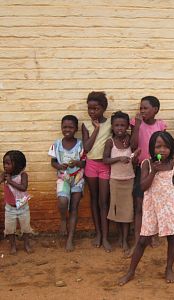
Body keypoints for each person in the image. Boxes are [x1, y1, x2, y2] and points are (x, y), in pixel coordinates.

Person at [119, 131, 174, 286]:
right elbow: (142, 186)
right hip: (152, 207)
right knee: (142, 241)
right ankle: (130, 272)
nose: (162, 150)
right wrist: (153, 172)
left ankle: (169, 269)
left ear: (171, 148)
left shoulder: (173, 164)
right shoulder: (147, 164)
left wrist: (172, 187)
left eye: (166, 147)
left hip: (169, 206)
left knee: (172, 238)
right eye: (158, 146)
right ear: (152, 148)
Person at [130, 96, 167, 252]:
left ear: (155, 110)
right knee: (139, 204)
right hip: (141, 168)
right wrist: (137, 126)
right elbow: (133, 146)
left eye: (146, 108)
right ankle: (138, 239)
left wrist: (160, 163)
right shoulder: (135, 123)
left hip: (156, 168)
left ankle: (152, 235)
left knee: (155, 204)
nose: (142, 111)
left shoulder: (161, 125)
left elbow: (164, 147)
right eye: (141, 108)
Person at [103, 111, 140, 253]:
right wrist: (119, 159)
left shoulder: (130, 140)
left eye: (123, 125)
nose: (120, 128)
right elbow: (105, 160)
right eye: (117, 125)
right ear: (112, 127)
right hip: (115, 181)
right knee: (118, 211)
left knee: (127, 211)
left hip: (129, 180)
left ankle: (125, 239)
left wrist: (135, 157)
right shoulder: (110, 142)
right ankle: (120, 236)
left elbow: (134, 159)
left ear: (127, 127)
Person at [48, 115, 85, 251]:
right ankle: (63, 219)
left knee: (74, 207)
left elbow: (85, 162)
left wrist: (77, 163)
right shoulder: (56, 144)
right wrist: (59, 166)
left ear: (76, 129)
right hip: (63, 178)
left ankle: (70, 238)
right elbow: (53, 162)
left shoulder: (80, 144)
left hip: (78, 178)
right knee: (63, 201)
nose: (67, 129)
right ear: (61, 128)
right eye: (65, 127)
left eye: (70, 127)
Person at [82, 91, 112, 251]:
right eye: (90, 109)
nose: (92, 112)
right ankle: (98, 234)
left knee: (104, 201)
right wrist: (96, 129)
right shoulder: (86, 125)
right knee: (94, 199)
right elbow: (86, 148)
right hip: (91, 165)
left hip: (105, 166)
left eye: (96, 108)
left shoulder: (111, 123)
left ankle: (106, 237)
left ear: (104, 108)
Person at [0, 150, 33, 254]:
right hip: (10, 208)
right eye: (4, 163)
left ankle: (26, 244)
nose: (5, 166)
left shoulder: (23, 175)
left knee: (26, 228)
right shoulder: (5, 175)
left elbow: (23, 187)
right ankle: (13, 246)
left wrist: (10, 181)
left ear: (18, 165)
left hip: (23, 207)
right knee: (10, 229)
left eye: (8, 163)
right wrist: (3, 178)